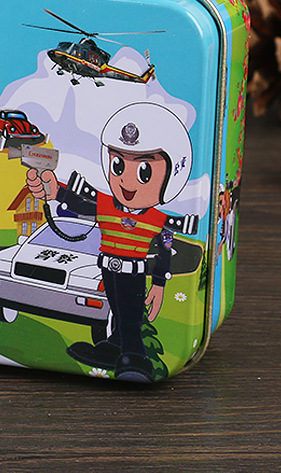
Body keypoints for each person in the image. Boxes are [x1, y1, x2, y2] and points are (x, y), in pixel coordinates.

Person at [26, 102, 194, 382]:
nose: (127, 181)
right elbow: (80, 204)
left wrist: (159, 284)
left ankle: (135, 357)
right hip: (109, 268)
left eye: (144, 171)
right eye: (118, 165)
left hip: (133, 272)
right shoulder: (107, 204)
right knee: (117, 310)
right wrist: (55, 192)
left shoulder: (158, 218)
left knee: (130, 314)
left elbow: (165, 249)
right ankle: (117, 346)